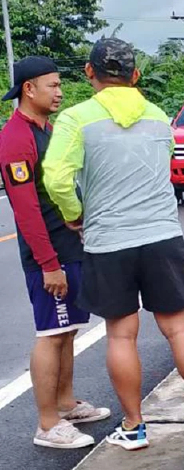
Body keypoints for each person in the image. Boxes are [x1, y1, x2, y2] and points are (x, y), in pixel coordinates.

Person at [42, 38, 184, 451]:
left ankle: (134, 426)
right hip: (162, 236)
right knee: (180, 328)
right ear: (136, 75)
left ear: (89, 72)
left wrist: (74, 213)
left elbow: (55, 177)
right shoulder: (160, 117)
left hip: (109, 241)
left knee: (121, 336)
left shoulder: (76, 119)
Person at [0, 56, 110, 449]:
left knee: (66, 330)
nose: (60, 92)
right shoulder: (16, 137)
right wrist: (48, 264)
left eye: (60, 84)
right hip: (47, 254)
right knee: (50, 333)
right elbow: (26, 209)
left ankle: (65, 403)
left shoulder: (46, 129)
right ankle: (47, 424)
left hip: (67, 246)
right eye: (53, 85)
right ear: (29, 89)